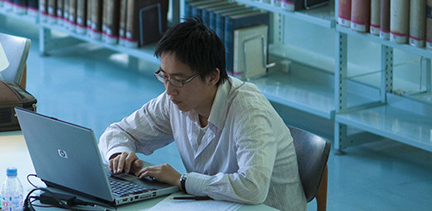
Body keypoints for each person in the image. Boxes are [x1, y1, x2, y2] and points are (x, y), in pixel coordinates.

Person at [98, 17, 306, 211]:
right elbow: (117, 132)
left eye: (179, 80)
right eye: (164, 76)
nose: (169, 90)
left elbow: (253, 187)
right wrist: (118, 153)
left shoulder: (249, 110)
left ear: (212, 76)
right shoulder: (173, 100)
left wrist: (183, 181)